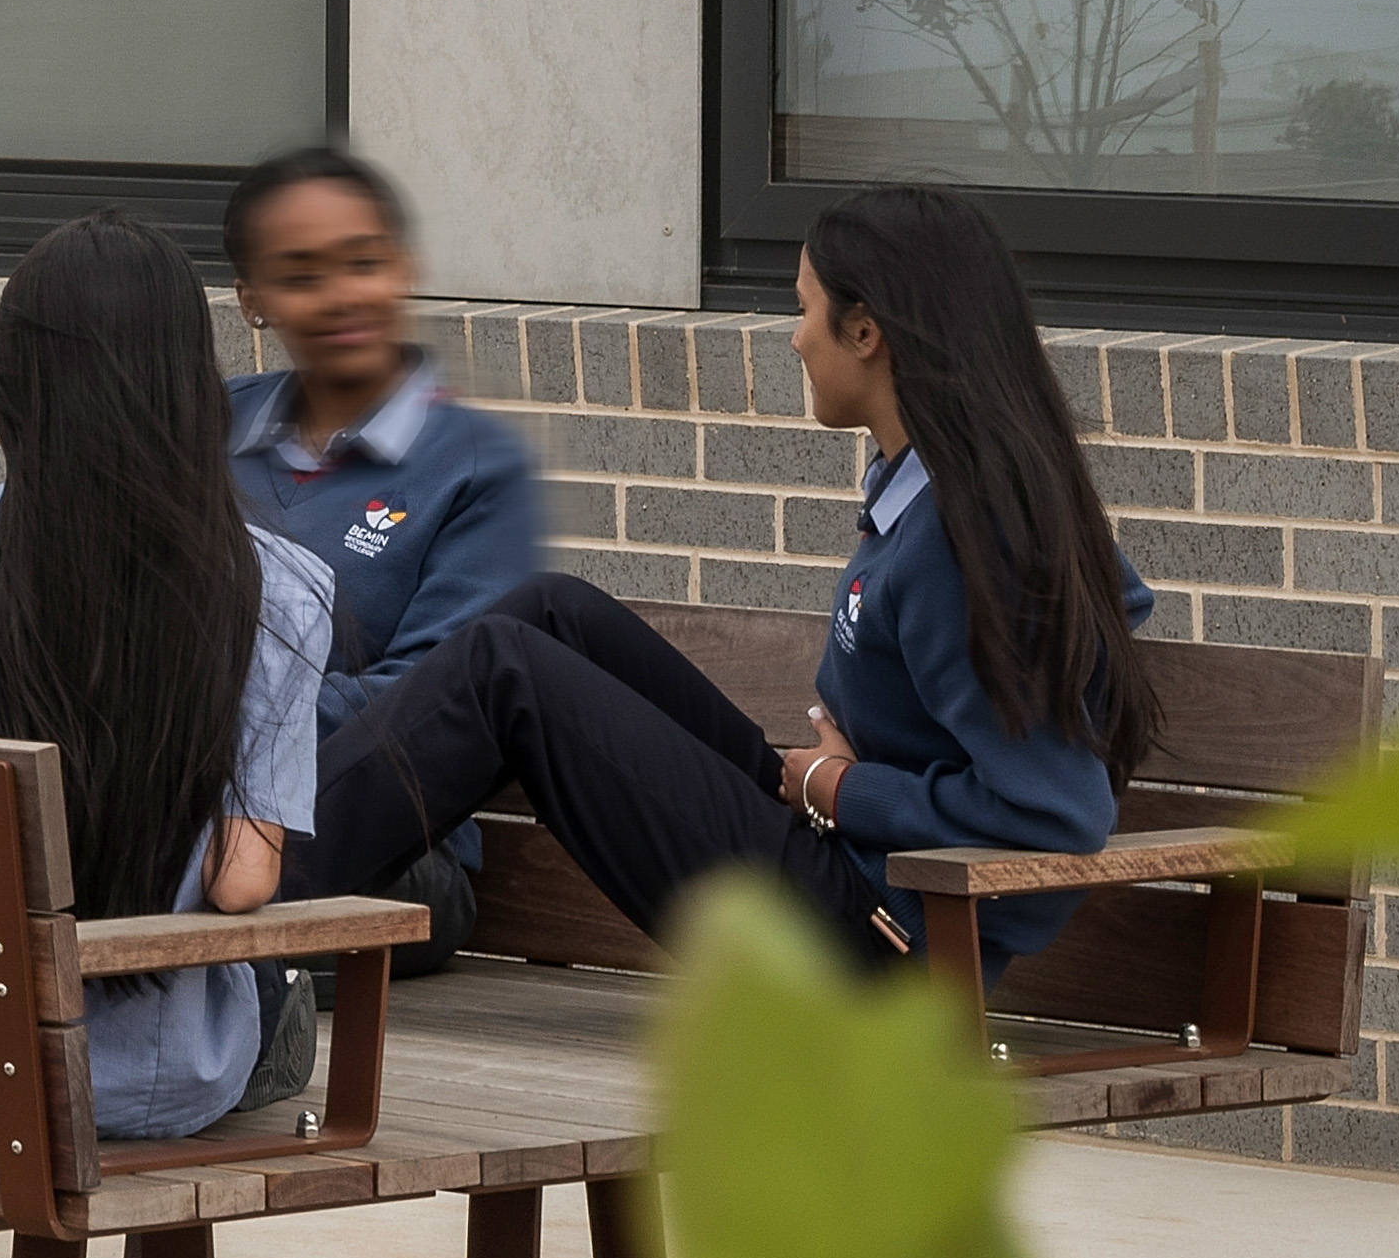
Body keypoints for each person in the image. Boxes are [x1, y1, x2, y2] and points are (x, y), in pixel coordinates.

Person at [285, 182, 1141, 980]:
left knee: (507, 671)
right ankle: (267, 819)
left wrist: (842, 787)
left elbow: (1057, 815)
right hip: (835, 852)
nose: (796, 337)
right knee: (552, 613)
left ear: (866, 331)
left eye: (804, 309)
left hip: (870, 937)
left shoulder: (971, 530)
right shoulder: (938, 494)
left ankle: (246, 907)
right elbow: (1104, 618)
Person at [0, 215, 332, 1147]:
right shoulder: (284, 589)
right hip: (166, 1081)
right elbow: (245, 882)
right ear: (192, 388)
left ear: (12, 379)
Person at [219, 142, 548, 953]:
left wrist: (205, 720)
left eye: (362, 263)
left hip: (389, 853)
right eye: (301, 276)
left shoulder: (479, 463)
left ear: (403, 267)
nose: (341, 297)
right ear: (252, 299)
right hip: (197, 811)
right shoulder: (205, 423)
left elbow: (438, 696)